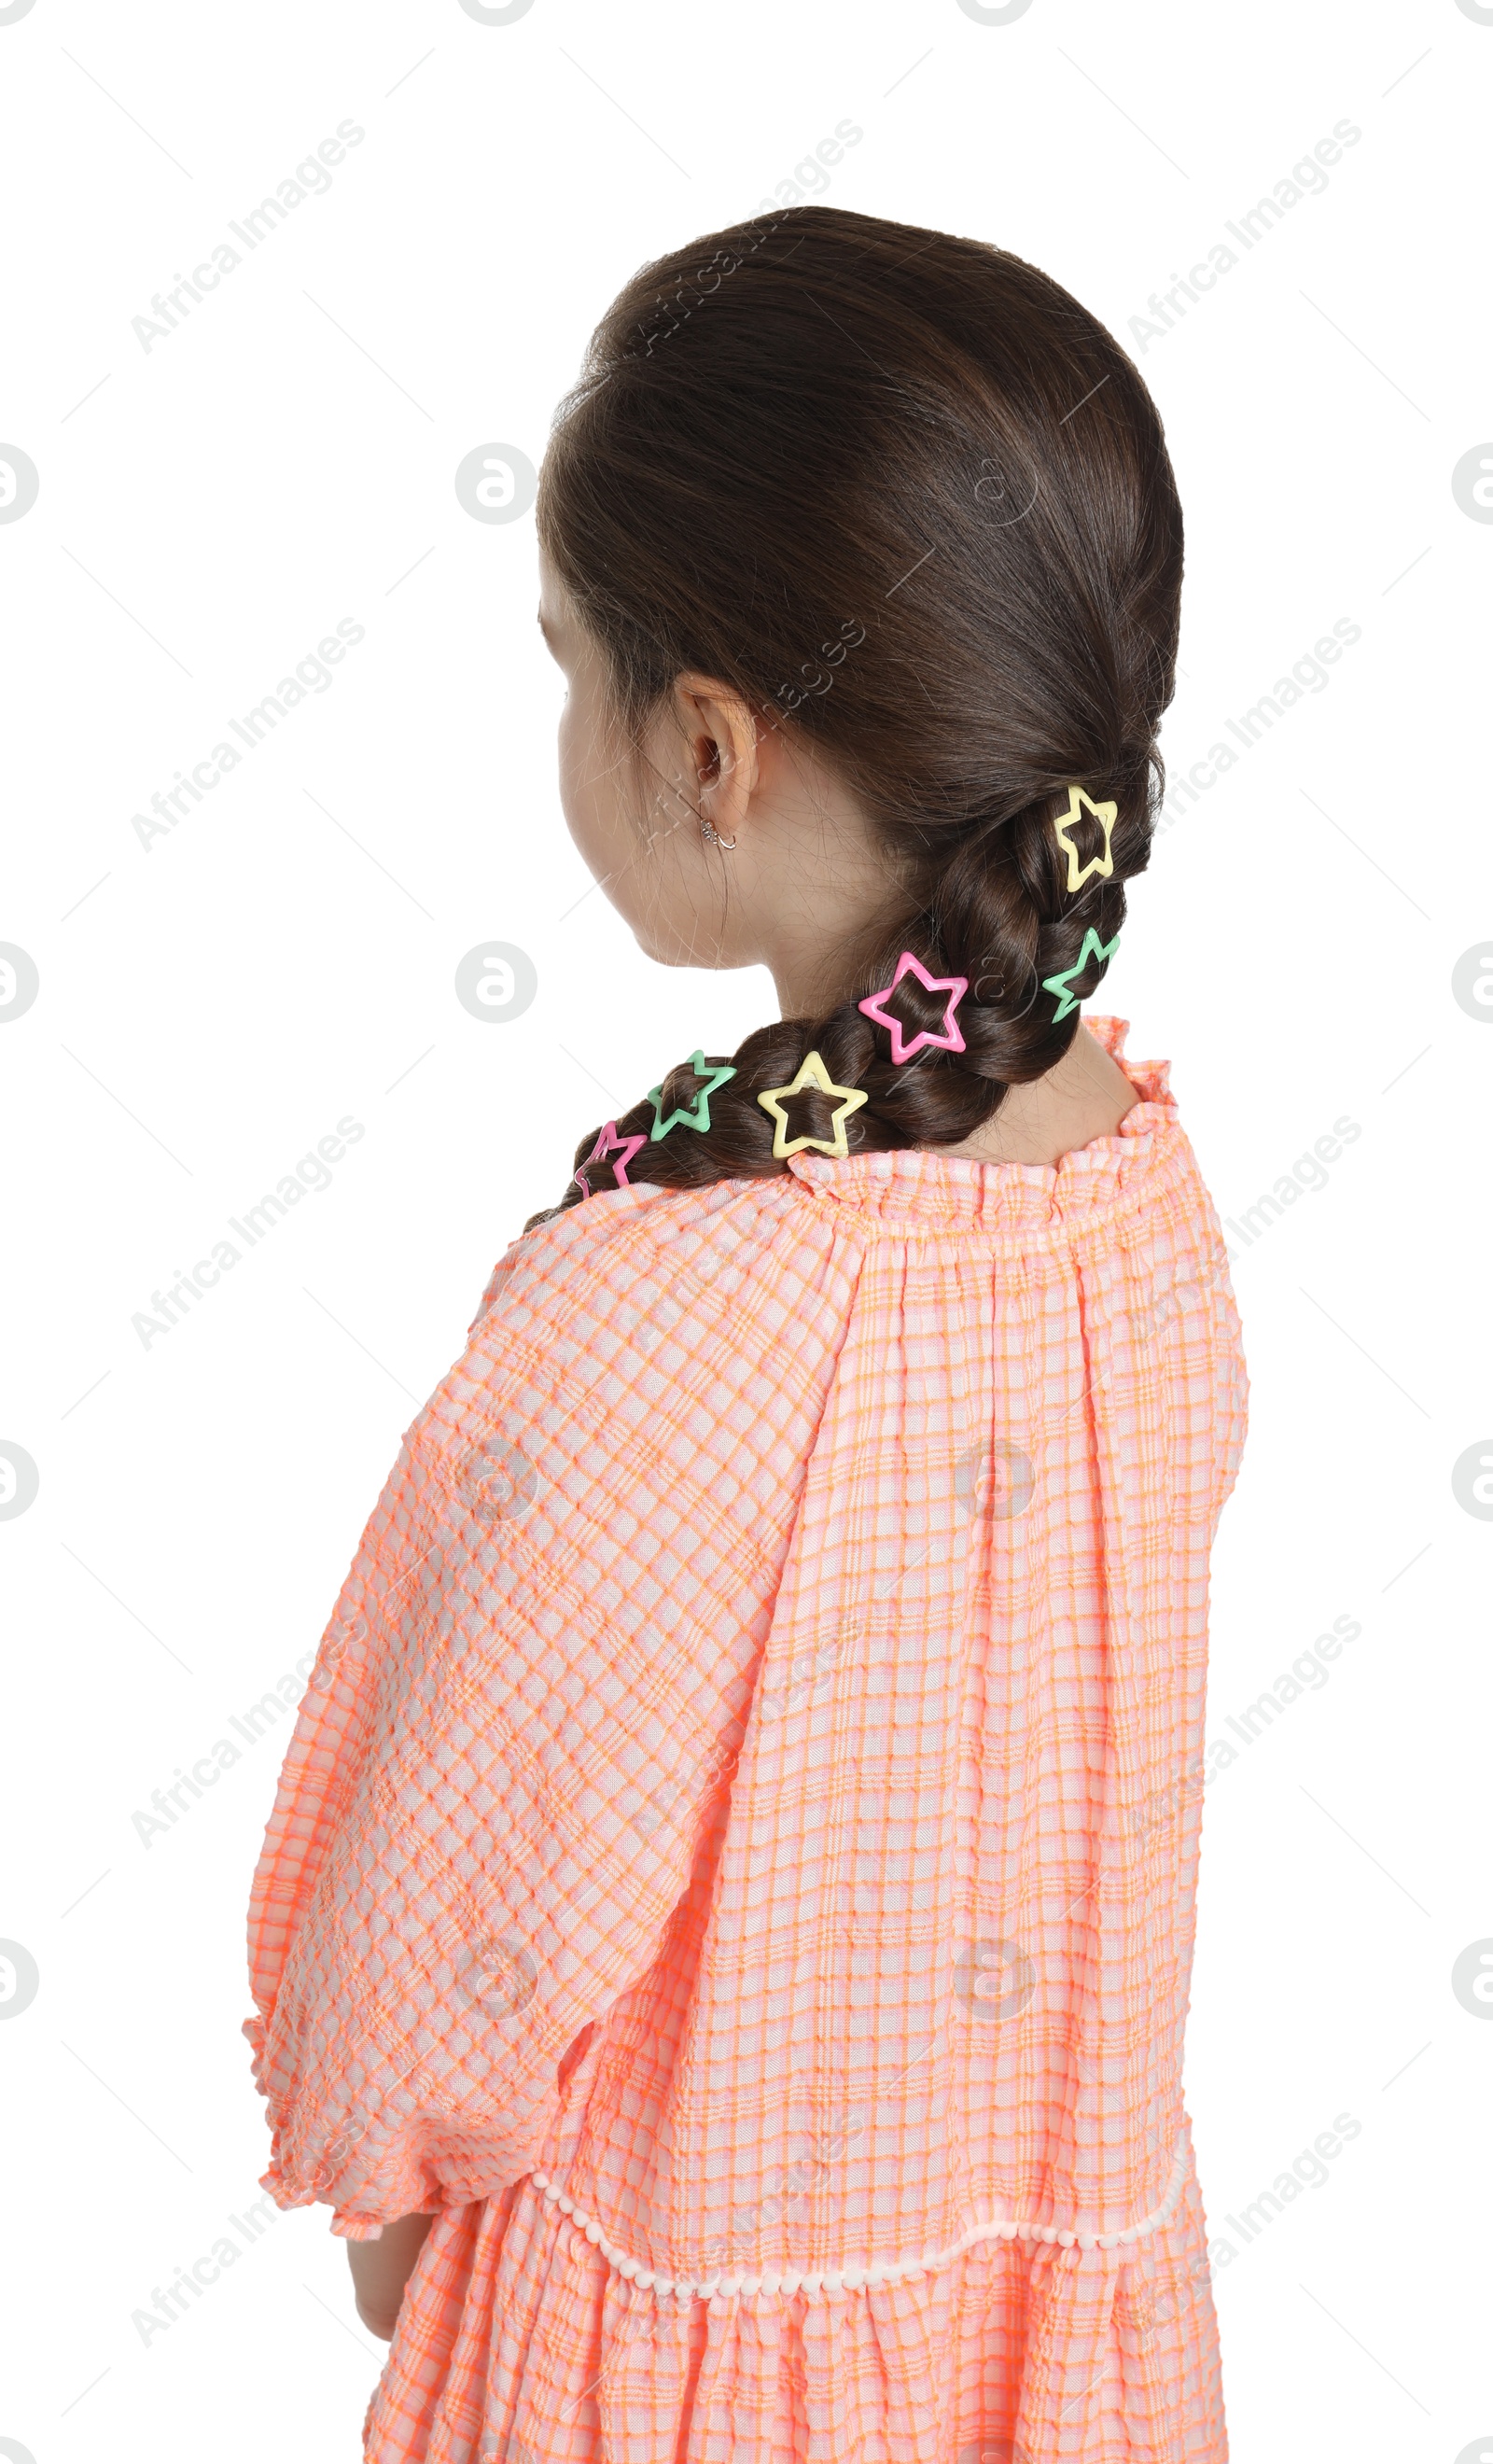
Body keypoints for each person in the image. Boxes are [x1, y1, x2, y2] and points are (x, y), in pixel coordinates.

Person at [244, 204, 1249, 2463]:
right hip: (1057, 2352)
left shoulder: (680, 1298)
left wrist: (386, 2174)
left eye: (559, 657)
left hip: (670, 2374)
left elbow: (464, 1868)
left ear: (705, 746)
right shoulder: (1144, 1203)